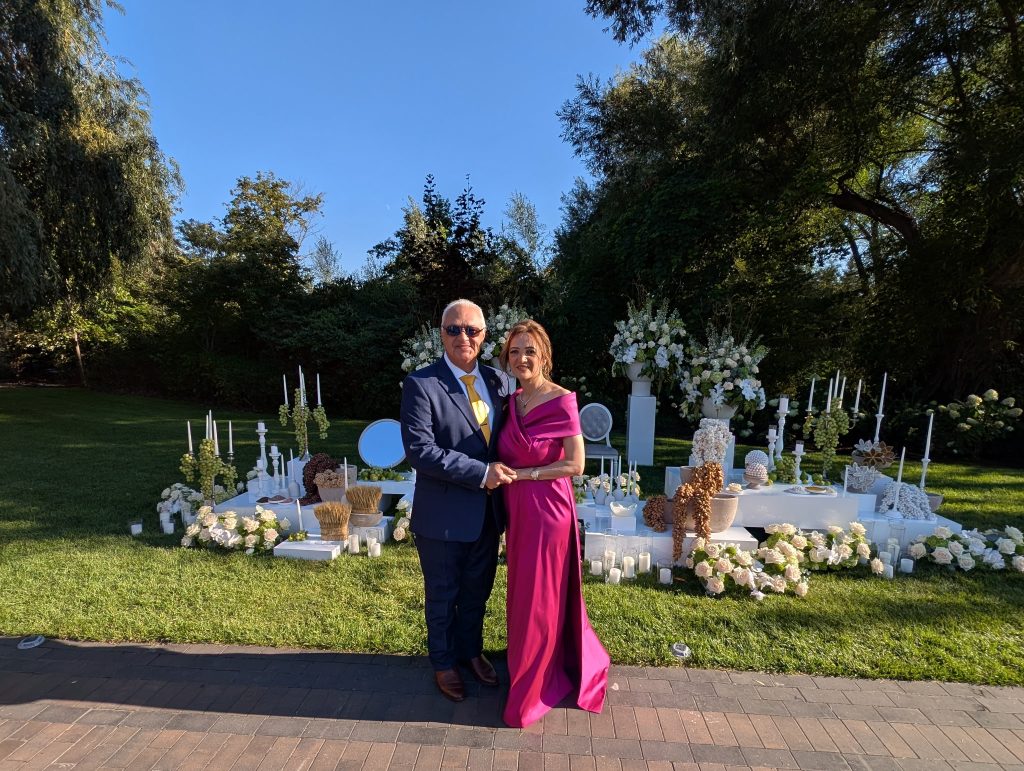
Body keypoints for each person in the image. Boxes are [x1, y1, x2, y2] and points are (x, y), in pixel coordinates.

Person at [399, 299, 517, 703]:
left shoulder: (500, 382)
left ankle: (470, 651)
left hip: (488, 515)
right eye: (454, 329)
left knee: (477, 592)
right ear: (441, 333)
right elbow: (420, 450)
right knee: (443, 594)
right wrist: (481, 473)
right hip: (443, 517)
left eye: (472, 330)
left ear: (484, 336)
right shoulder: (422, 384)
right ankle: (444, 662)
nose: (463, 337)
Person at [496, 319, 609, 728]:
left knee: (540, 595)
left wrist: (525, 475)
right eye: (514, 352)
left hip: (547, 509)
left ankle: (536, 682)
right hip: (518, 511)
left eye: (529, 350)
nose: (522, 358)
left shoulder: (562, 400)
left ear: (544, 355)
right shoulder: (510, 403)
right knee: (524, 591)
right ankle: (525, 664)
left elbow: (575, 464)